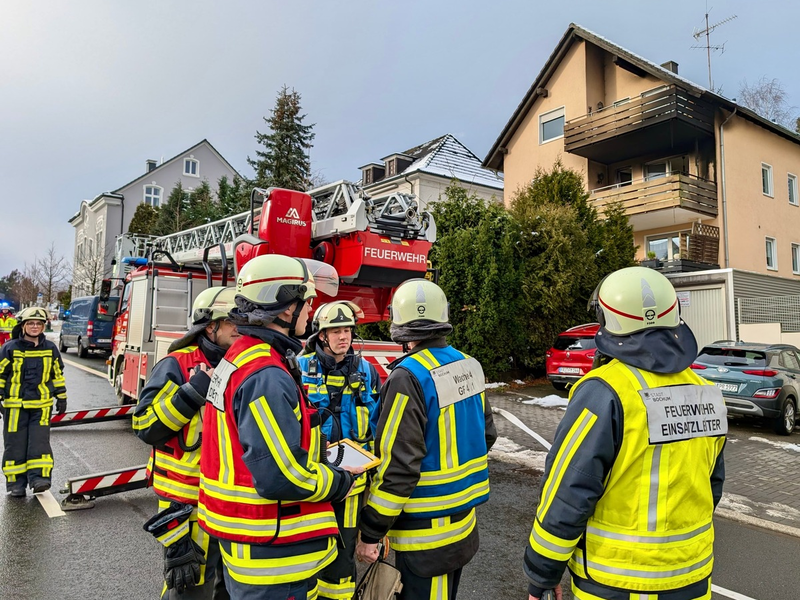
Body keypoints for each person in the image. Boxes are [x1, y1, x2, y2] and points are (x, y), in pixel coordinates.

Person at [523, 266, 727, 600]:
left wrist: (542, 572)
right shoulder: (706, 391)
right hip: (692, 577)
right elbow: (711, 485)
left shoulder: (604, 391)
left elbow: (569, 492)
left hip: (617, 581)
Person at [198, 254, 361, 600]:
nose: (310, 309)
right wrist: (340, 480)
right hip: (271, 558)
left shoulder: (240, 357)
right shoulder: (265, 374)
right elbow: (280, 476)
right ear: (287, 307)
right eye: (308, 300)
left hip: (248, 544)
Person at [355, 278, 497, 600]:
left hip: (425, 540)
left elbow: (399, 469)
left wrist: (371, 530)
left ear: (400, 324)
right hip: (462, 528)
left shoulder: (407, 378)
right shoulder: (469, 366)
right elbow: (487, 435)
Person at [134, 286, 239, 600]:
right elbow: (145, 426)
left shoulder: (241, 364)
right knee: (188, 593)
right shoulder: (177, 365)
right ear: (210, 327)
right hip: (187, 515)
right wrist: (191, 393)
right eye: (232, 322)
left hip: (230, 510)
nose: (240, 328)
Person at [297, 301, 382, 600]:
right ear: (321, 335)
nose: (343, 336)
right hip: (313, 480)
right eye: (336, 331)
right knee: (309, 550)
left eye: (347, 330)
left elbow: (377, 425)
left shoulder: (366, 372)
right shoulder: (300, 368)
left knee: (343, 557)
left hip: (353, 483)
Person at [0, 306, 67, 497]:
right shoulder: (10, 348)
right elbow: (1, 374)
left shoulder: (50, 348)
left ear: (43, 326)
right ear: (23, 326)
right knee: (15, 445)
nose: (35, 327)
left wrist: (61, 396)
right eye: (31, 323)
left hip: (41, 407)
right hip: (15, 408)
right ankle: (16, 484)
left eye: (39, 323)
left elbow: (57, 375)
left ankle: (39, 480)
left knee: (39, 444)